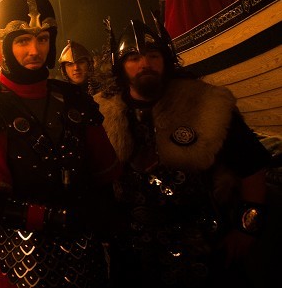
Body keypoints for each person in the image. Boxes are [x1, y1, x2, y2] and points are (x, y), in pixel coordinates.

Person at [0, 0, 120, 288]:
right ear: (4, 46)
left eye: (42, 38)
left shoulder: (76, 100)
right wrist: (53, 218)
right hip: (23, 255)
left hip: (86, 249)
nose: (34, 50)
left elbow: (104, 177)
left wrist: (104, 225)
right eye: (23, 40)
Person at [95, 19, 271, 287]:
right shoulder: (99, 116)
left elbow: (252, 165)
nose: (145, 64)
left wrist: (247, 228)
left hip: (204, 245)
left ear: (165, 60)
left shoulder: (207, 105)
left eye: (153, 55)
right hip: (134, 255)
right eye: (134, 57)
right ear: (120, 67)